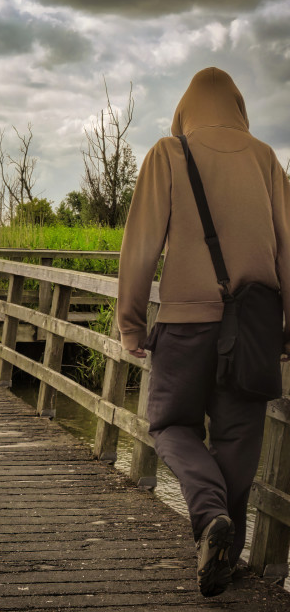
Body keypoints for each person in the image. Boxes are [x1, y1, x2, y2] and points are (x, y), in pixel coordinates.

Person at [117, 67, 290, 597]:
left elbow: (140, 245)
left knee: (170, 425)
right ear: (237, 107)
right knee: (239, 443)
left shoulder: (168, 154)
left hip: (185, 325)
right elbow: (288, 248)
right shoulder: (266, 159)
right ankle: (225, 558)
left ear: (186, 109)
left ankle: (209, 516)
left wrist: (131, 323)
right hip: (255, 329)